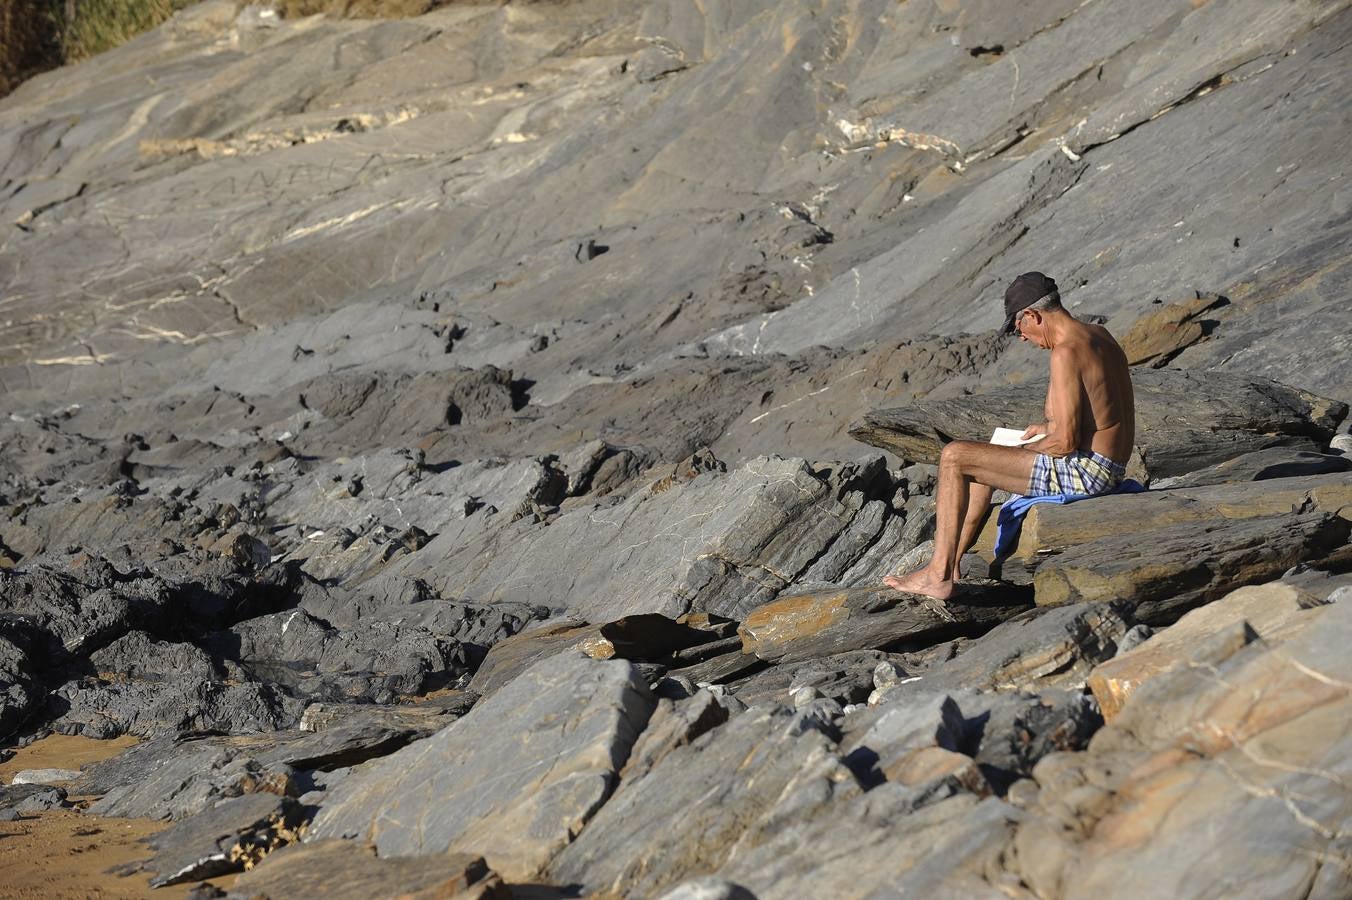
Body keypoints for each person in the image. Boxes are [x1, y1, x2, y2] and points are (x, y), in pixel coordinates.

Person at [883, 271, 1136, 600]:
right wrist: (1043, 431)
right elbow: (1105, 413)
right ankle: (952, 563)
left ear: (1033, 315)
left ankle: (937, 575)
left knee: (954, 456)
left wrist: (1028, 449)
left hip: (1087, 474)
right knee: (987, 454)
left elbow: (1065, 443)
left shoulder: (1065, 353)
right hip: (1111, 465)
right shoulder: (1099, 335)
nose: (1022, 337)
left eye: (1019, 328)